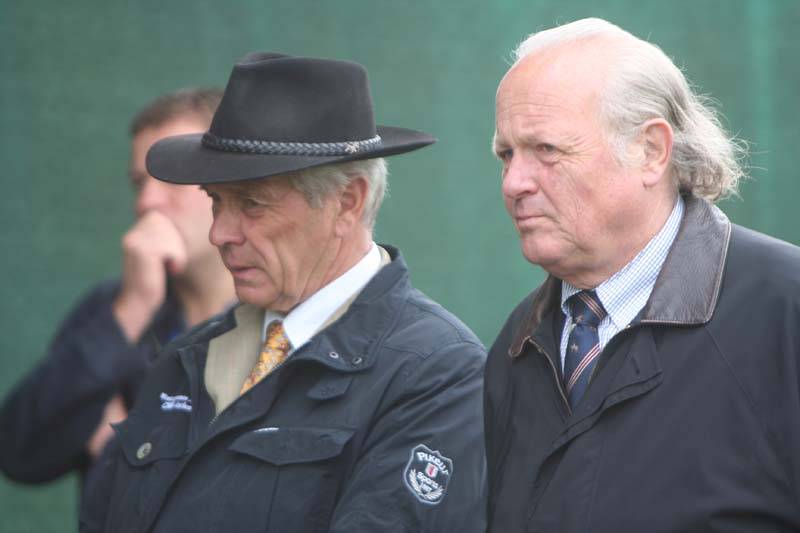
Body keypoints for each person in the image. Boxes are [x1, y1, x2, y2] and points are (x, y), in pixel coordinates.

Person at [80, 52, 487, 532]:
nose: (219, 233)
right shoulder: (187, 356)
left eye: (252, 204)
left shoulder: (437, 372)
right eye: (216, 201)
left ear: (347, 202)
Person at [485, 17, 800, 532]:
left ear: (650, 150)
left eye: (547, 150)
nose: (514, 182)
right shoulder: (519, 346)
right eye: (507, 154)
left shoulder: (784, 310)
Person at [0, 88, 235, 494]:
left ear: (235, 182)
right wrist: (134, 307)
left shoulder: (288, 318)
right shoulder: (113, 309)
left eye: (171, 175)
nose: (146, 202)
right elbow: (20, 454)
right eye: (139, 182)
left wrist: (119, 452)